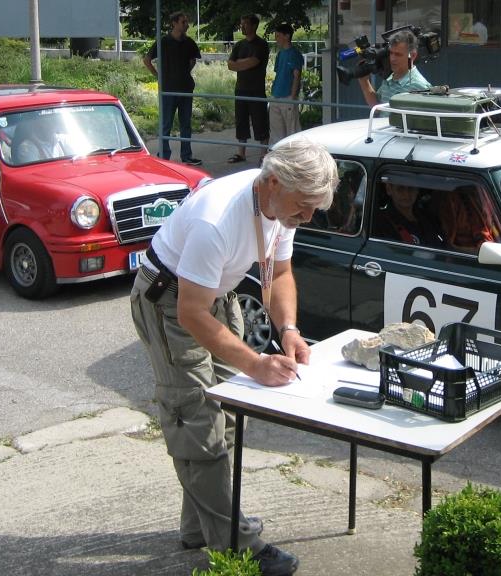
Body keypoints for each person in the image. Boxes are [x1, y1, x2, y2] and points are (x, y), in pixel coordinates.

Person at [129, 138, 338, 576]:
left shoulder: (282, 204)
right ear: (274, 182)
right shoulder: (217, 219)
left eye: (314, 208)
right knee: (196, 418)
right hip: (171, 301)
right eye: (303, 206)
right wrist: (256, 364)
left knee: (226, 414)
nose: (307, 217)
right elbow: (190, 312)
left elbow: (281, 272)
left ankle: (203, 526)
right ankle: (236, 544)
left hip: (216, 296)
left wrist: (289, 330)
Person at [143, 11, 202, 166]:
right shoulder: (164, 41)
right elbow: (147, 60)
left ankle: (186, 156)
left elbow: (193, 60)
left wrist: (184, 72)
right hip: (168, 90)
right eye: (183, 22)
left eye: (187, 22)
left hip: (185, 88)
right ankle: (163, 156)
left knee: (186, 124)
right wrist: (159, 76)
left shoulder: (189, 42)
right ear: (174, 23)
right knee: (166, 123)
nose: (187, 25)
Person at [228, 14, 270, 164]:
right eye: (241, 23)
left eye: (245, 24)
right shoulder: (239, 45)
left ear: (254, 26)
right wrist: (242, 63)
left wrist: (239, 63)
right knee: (241, 121)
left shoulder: (261, 44)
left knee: (260, 121)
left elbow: (254, 62)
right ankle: (241, 154)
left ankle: (264, 154)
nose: (242, 26)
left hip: (256, 90)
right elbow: (230, 65)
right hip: (240, 89)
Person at [356, 29, 431, 107]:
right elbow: (378, 107)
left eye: (398, 54)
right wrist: (363, 80)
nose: (392, 59)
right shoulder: (391, 78)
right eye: (391, 53)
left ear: (412, 55)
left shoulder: (419, 87)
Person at [371, 183, 444, 246]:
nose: (406, 194)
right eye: (400, 188)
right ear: (389, 189)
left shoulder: (429, 218)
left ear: (417, 190)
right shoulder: (380, 222)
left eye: (411, 188)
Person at [269, 23, 304, 145]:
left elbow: (297, 76)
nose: (276, 39)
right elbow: (279, 73)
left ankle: (294, 154)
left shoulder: (295, 54)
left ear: (287, 36)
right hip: (276, 95)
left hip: (288, 96)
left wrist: (292, 97)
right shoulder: (280, 54)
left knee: (292, 131)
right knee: (276, 132)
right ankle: (278, 153)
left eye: (278, 36)